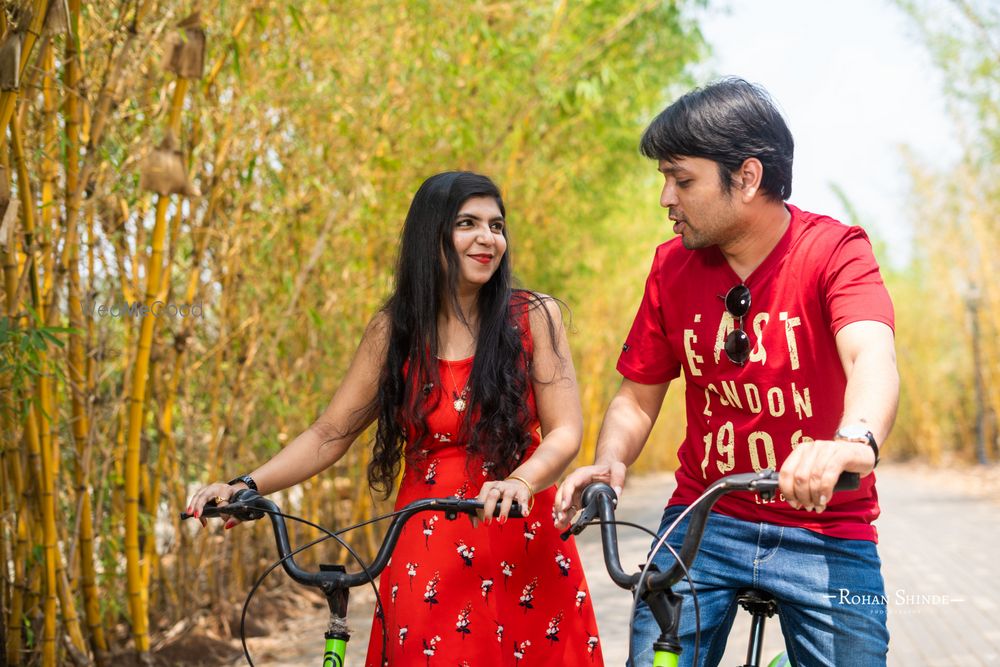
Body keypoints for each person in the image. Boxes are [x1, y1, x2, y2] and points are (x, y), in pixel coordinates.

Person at [187, 172, 605, 666]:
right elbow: (330, 433)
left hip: (521, 525)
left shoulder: (534, 315)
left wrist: (520, 481)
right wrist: (247, 484)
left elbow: (566, 432)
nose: (487, 238)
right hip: (426, 539)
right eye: (467, 223)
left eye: (497, 225)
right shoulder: (396, 330)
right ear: (431, 236)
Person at [554, 78, 898, 667]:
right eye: (664, 179)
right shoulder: (671, 266)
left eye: (682, 180)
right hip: (704, 518)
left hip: (826, 528)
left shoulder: (834, 252)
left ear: (747, 177)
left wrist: (852, 442)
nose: (666, 197)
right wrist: (611, 462)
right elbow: (637, 397)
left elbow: (872, 356)